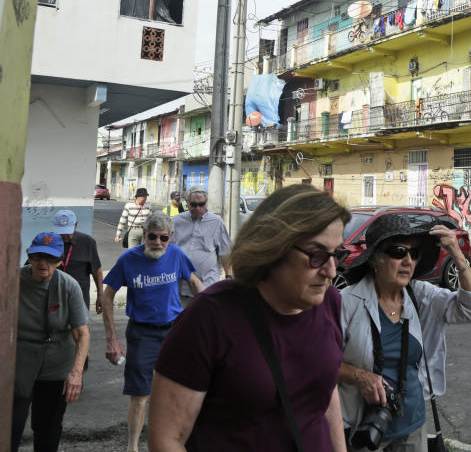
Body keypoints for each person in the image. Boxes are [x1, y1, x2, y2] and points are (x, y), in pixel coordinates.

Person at [148, 184, 351, 452]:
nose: (330, 270)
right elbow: (166, 439)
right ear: (274, 247)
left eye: (337, 254)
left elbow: (324, 396)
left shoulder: (329, 302)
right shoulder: (210, 316)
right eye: (316, 255)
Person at [339, 215, 471, 451]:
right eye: (398, 252)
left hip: (413, 425)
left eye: (414, 253)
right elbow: (319, 363)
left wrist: (457, 253)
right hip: (363, 429)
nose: (408, 260)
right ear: (376, 259)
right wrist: (360, 376)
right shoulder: (347, 302)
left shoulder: (420, 295)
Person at [102, 213, 204, 452]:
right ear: (144, 234)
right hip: (142, 333)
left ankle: (176, 442)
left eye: (163, 238)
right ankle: (133, 447)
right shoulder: (128, 259)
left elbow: (195, 283)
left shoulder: (176, 255)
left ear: (171, 237)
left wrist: (207, 314)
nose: (157, 242)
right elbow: (108, 296)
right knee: (140, 395)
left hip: (174, 332)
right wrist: (112, 339)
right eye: (152, 237)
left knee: (180, 392)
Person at [12, 232, 90, 452]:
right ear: (29, 256)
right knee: (11, 424)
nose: (42, 263)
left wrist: (76, 373)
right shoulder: (15, 280)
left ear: (59, 261)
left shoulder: (68, 286)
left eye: (50, 258)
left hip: (56, 364)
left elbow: (82, 333)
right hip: (21, 361)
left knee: (47, 428)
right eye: (37, 257)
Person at [171, 187, 232, 305]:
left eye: (201, 204)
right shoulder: (176, 221)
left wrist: (228, 276)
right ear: (187, 203)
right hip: (179, 288)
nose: (198, 208)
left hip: (207, 287)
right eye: (193, 205)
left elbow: (225, 252)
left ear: (206, 203)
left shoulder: (216, 222)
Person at [52, 209, 103, 314]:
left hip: (79, 300)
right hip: (53, 300)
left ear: (75, 225)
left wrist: (100, 295)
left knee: (80, 329)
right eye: (61, 232)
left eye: (68, 231)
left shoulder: (87, 242)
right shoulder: (48, 241)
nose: (65, 236)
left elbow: (97, 270)